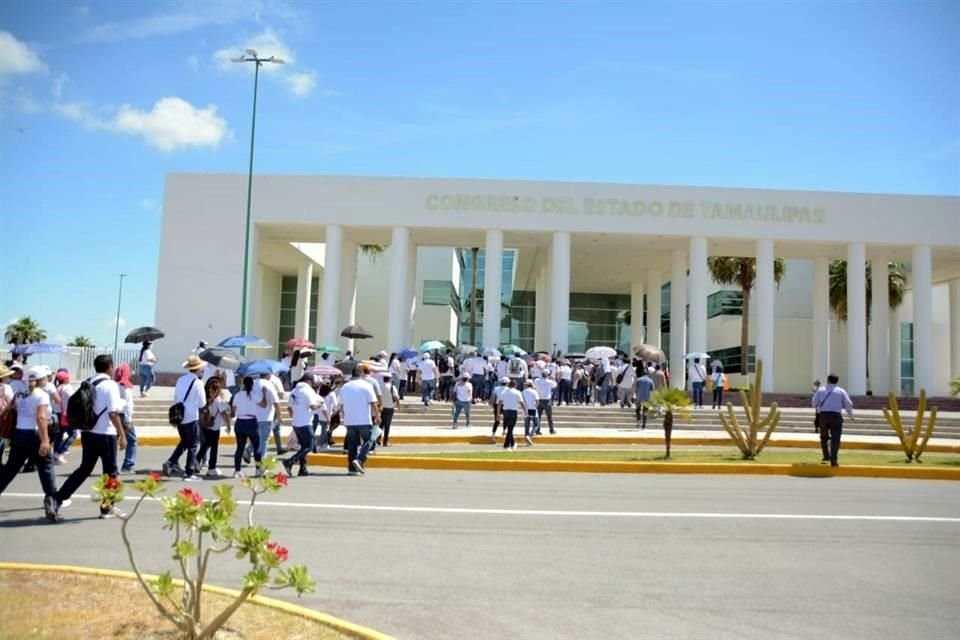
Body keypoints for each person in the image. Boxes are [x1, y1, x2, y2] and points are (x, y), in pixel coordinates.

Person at [50, 355, 127, 520]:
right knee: (111, 472)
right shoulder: (110, 385)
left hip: (88, 432)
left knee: (84, 469)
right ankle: (107, 508)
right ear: (110, 367)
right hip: (106, 434)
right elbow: (113, 412)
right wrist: (122, 434)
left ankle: (58, 498)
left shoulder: (89, 382)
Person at [0, 365, 58, 519]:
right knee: (46, 468)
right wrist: (45, 441)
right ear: (41, 380)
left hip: (19, 434)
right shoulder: (42, 395)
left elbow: (7, 410)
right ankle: (51, 500)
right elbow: (40, 418)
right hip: (35, 434)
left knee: (10, 468)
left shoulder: (20, 393)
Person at [162, 355, 207, 481]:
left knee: (185, 442)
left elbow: (176, 397)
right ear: (198, 369)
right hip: (191, 417)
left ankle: (171, 462)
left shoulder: (180, 380)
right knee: (193, 444)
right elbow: (202, 403)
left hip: (179, 416)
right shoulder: (198, 383)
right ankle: (189, 472)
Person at [339, 364, 381, 474]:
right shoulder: (366, 386)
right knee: (370, 440)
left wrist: (344, 417)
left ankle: (351, 469)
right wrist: (377, 416)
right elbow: (373, 403)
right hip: (364, 420)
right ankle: (360, 459)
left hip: (350, 421)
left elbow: (341, 405)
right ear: (361, 374)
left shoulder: (345, 387)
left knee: (352, 444)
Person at [282, 373, 323, 477]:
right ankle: (290, 461)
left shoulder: (294, 391)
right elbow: (313, 406)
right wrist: (320, 404)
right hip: (305, 422)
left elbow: (289, 407)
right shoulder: (308, 391)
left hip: (296, 423)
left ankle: (303, 469)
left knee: (303, 447)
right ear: (309, 381)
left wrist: (295, 417)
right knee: (309, 446)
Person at [812, 374, 854, 467]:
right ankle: (833, 459)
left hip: (823, 416)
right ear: (837, 381)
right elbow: (848, 404)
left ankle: (826, 456)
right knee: (836, 438)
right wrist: (851, 415)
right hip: (836, 416)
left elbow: (814, 403)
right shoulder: (841, 391)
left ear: (828, 380)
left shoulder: (821, 390)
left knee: (824, 436)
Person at [197, 376, 231, 477]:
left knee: (205, 446)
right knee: (214, 448)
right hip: (214, 427)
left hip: (204, 425)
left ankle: (195, 463)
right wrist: (228, 425)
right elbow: (224, 414)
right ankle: (212, 468)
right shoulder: (218, 400)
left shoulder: (204, 398)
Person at [230, 376, 262, 478]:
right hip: (252, 421)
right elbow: (263, 404)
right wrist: (264, 393)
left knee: (240, 447)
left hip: (240, 421)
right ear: (252, 384)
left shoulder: (238, 395)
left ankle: (237, 470)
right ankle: (258, 469)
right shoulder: (255, 395)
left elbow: (233, 409)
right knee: (257, 447)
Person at [114, 363, 138, 473]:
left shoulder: (113, 385)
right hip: (123, 416)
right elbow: (128, 405)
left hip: (114, 415)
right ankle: (128, 465)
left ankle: (113, 464)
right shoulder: (125, 387)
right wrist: (128, 420)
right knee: (132, 440)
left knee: (114, 440)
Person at [498, 380, 523, 450]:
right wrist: (525, 411)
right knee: (510, 428)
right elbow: (521, 402)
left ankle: (512, 443)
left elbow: (499, 403)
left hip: (505, 411)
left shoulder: (504, 392)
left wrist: (498, 413)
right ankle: (506, 445)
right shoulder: (517, 392)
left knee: (509, 428)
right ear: (515, 385)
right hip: (513, 411)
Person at [378, 373, 400, 446]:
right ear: (390, 379)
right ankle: (385, 442)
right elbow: (396, 397)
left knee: (381, 425)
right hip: (390, 407)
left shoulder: (380, 386)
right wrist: (398, 405)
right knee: (387, 426)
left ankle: (378, 439)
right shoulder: (392, 387)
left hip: (381, 407)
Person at [489, 377, 508, 444]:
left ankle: (493, 434)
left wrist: (491, 404)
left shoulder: (496, 388)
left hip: (497, 405)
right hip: (505, 405)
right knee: (506, 419)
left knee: (497, 420)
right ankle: (504, 431)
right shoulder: (508, 389)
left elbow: (493, 397)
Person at [522, 380, 539, 446]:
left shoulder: (523, 392)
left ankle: (527, 439)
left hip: (526, 409)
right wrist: (535, 407)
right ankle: (529, 436)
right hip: (532, 409)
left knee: (527, 425)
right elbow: (537, 401)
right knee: (536, 425)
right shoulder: (534, 391)